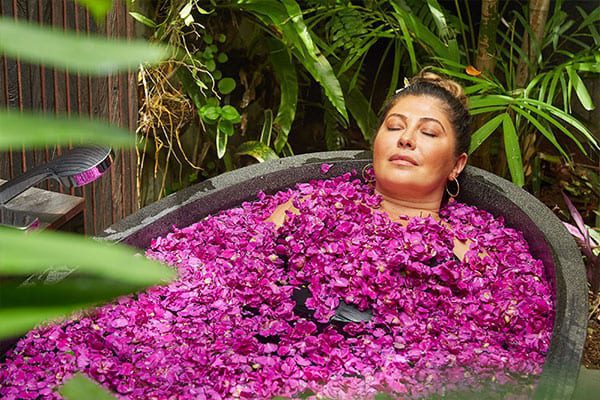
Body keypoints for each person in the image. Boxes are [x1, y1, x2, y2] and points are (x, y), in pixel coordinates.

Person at [266, 71, 473, 261]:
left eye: (428, 131)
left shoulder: (467, 255)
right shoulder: (306, 206)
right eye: (395, 126)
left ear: (456, 165)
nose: (406, 138)